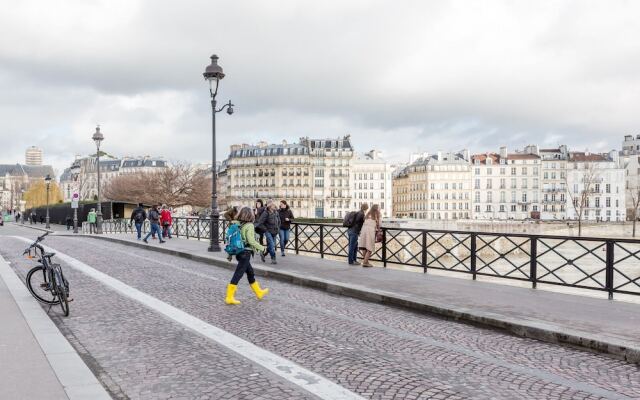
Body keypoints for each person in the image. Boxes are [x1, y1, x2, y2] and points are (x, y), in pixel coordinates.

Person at [225, 207, 269, 305]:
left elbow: (231, 239)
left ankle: (258, 292)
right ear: (250, 215)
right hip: (245, 252)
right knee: (238, 274)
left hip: (239, 252)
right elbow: (251, 241)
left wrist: (229, 254)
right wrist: (262, 248)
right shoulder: (249, 225)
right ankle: (229, 297)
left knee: (250, 272)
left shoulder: (237, 224)